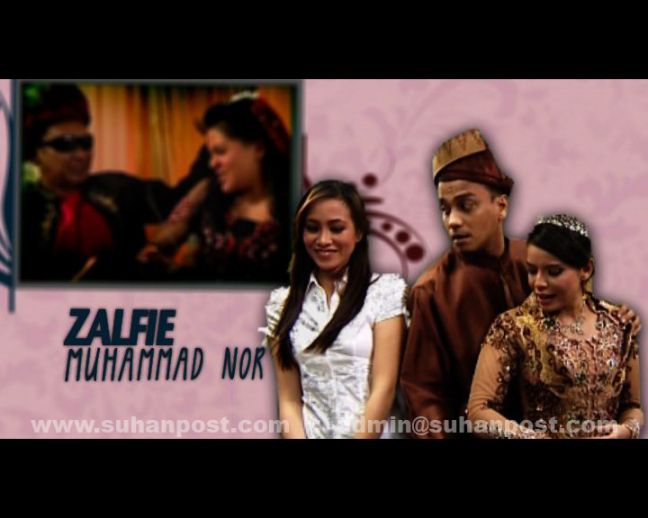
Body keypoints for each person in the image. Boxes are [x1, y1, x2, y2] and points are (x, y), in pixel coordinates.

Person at [400, 129, 530, 438]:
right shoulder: (431, 292)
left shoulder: (537, 263)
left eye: (466, 205)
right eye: (445, 209)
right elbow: (424, 397)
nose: (453, 221)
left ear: (501, 206)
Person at [467, 214, 643, 438]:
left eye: (553, 272)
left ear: (586, 269)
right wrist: (533, 438)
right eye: (532, 270)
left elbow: (633, 407)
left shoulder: (619, 323)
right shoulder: (514, 327)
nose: (538, 283)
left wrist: (626, 431)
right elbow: (478, 411)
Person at [261, 180, 407, 438]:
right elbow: (289, 401)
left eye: (336, 228)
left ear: (358, 232)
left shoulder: (384, 293)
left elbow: (383, 389)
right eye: (312, 228)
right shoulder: (282, 305)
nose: (323, 240)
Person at [20, 83, 175, 282]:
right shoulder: (22, 211)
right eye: (65, 145)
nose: (81, 155)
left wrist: (163, 243)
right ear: (35, 153)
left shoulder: (119, 188)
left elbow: (182, 198)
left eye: (86, 143)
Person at [139, 92, 292, 283]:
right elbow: (174, 228)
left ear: (258, 148)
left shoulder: (295, 209)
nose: (212, 163)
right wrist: (156, 249)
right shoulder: (207, 191)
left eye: (220, 151)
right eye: (210, 154)